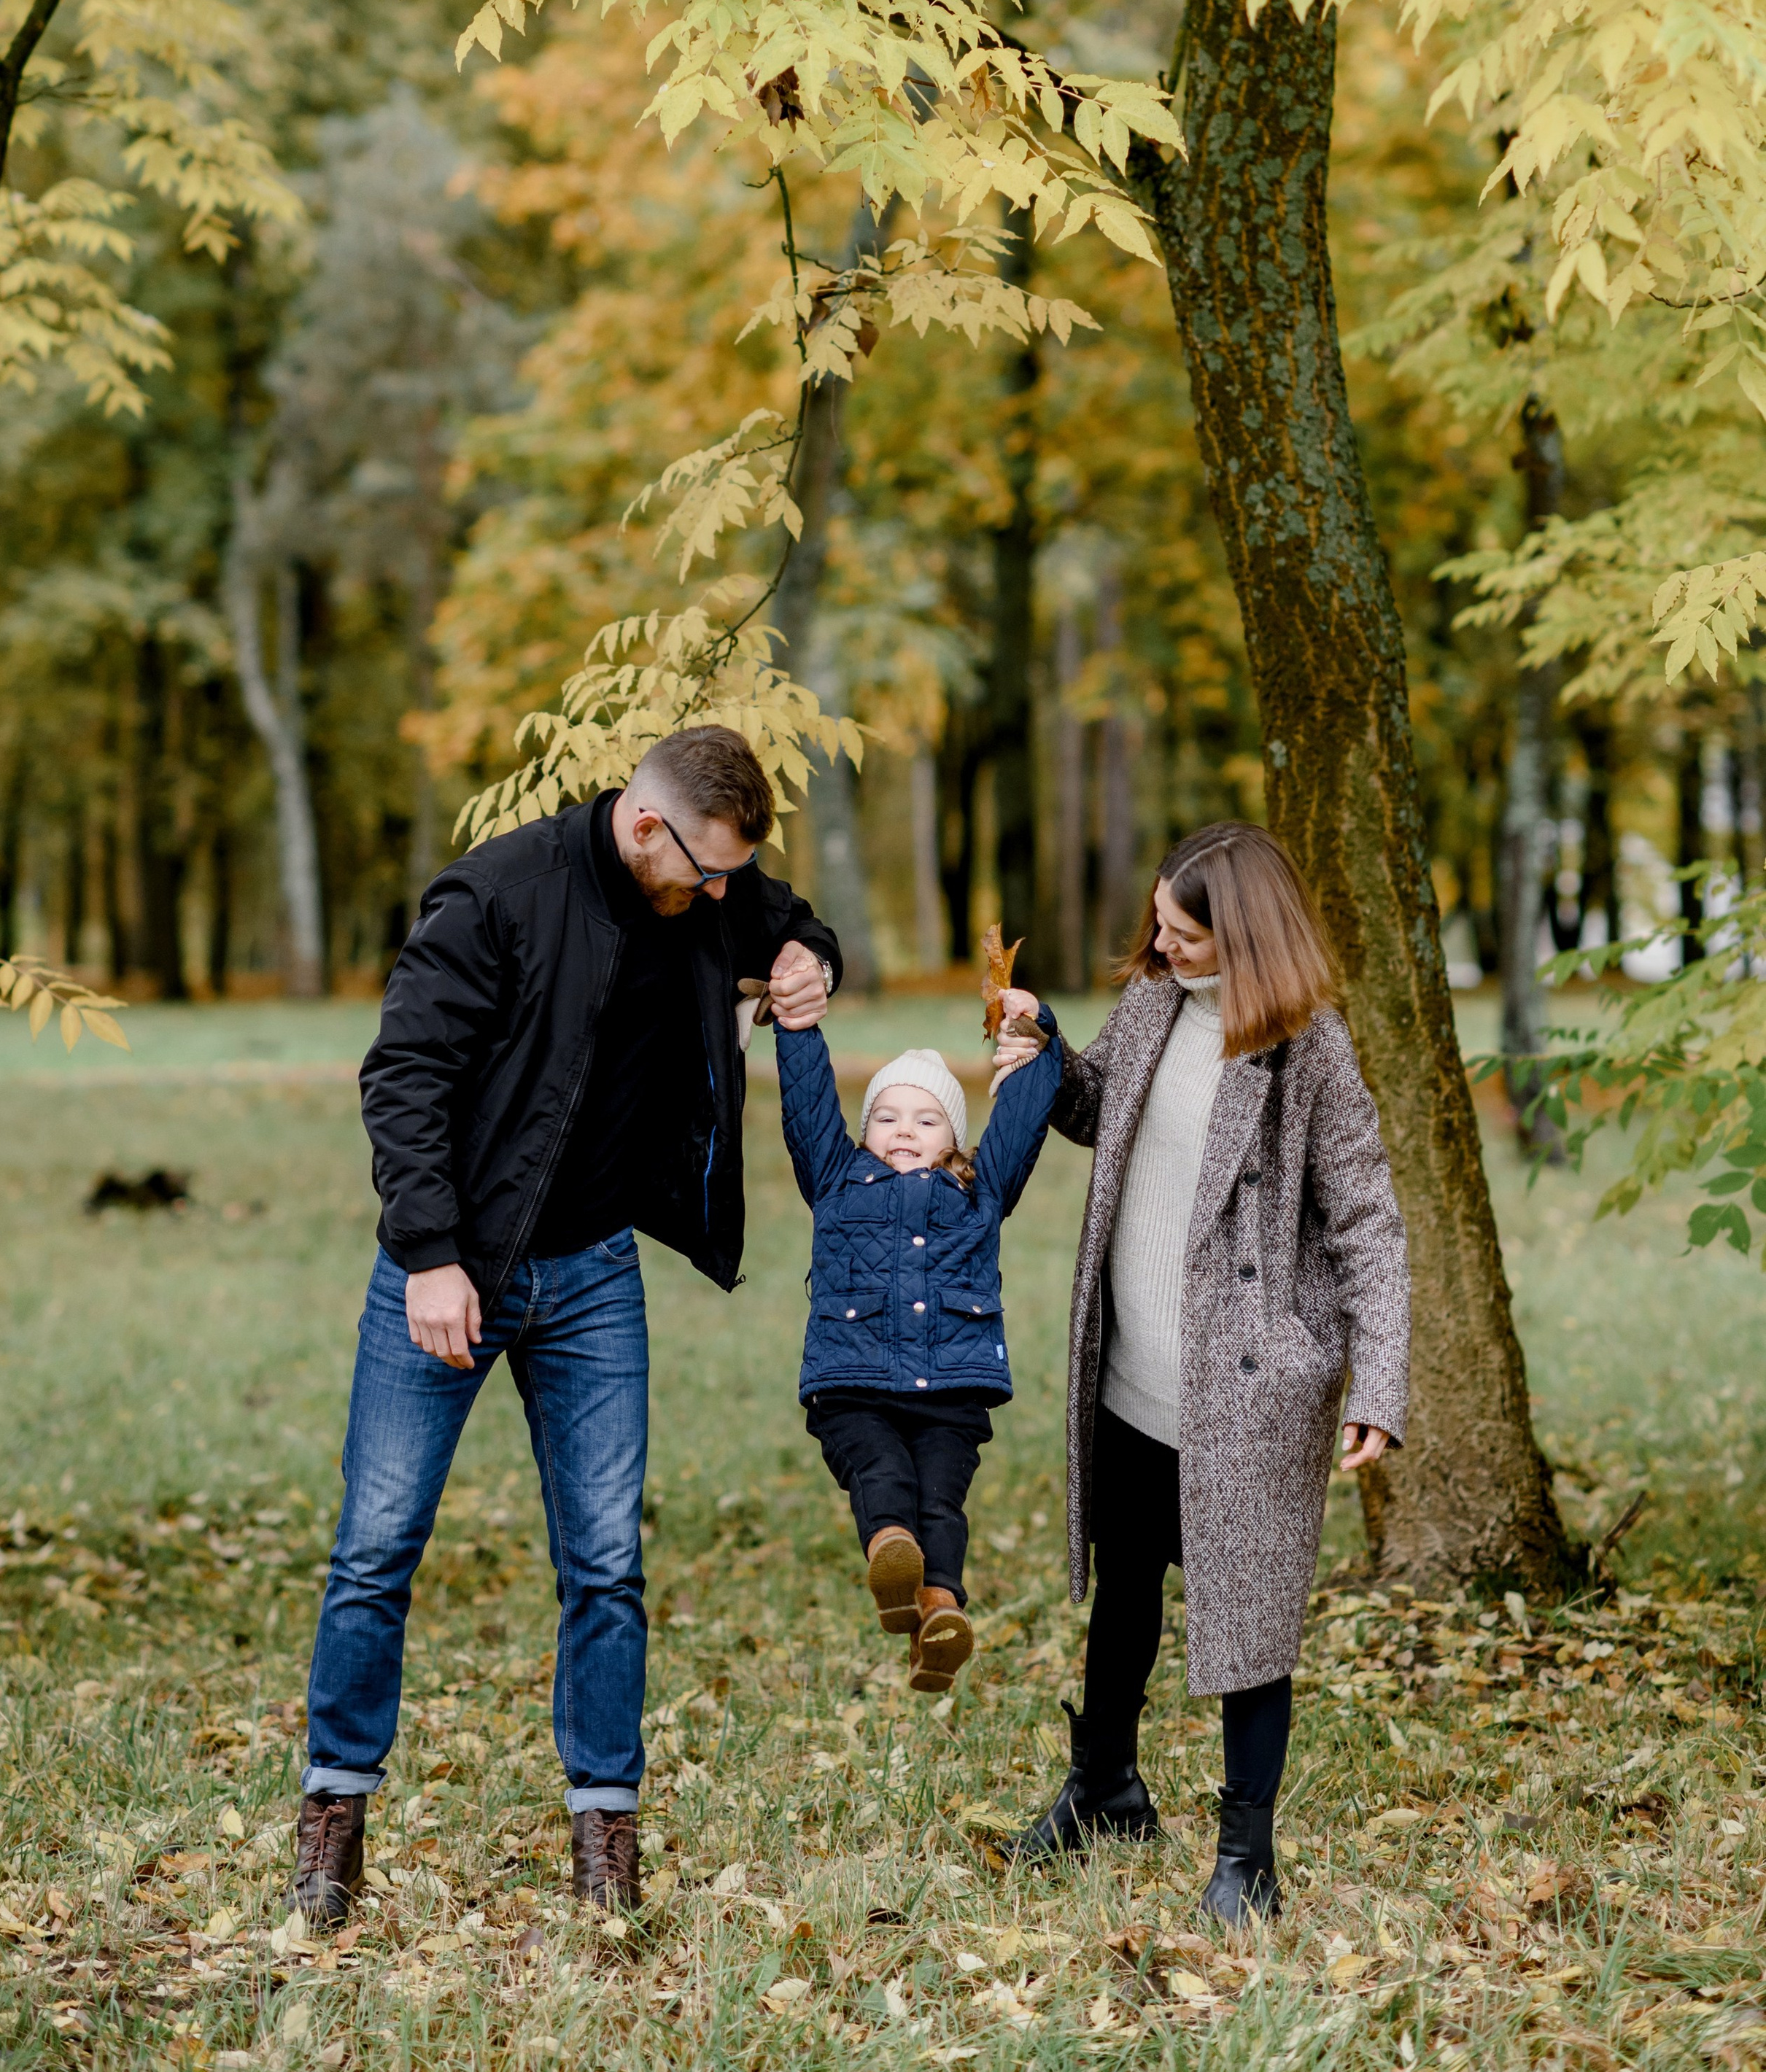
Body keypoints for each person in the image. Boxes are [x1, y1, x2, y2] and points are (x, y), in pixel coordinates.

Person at [290, 727, 840, 1927]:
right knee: (378, 1546)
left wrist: (810, 964)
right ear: (646, 822)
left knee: (606, 1562)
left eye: (730, 877)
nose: (718, 895)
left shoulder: (712, 883)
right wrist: (431, 1253)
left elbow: (792, 924)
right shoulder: (497, 892)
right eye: (704, 870)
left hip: (593, 1273)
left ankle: (605, 1837)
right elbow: (405, 1073)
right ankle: (331, 1823)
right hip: (450, 1273)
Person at [992, 822, 1409, 1925]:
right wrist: (1044, 1046)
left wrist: (1379, 1385)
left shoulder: (1307, 1048)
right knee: (1126, 1585)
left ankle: (1246, 1859)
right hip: (1132, 1364)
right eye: (1161, 928)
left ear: (1247, 934)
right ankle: (1105, 1788)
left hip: (1246, 1389)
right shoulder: (1153, 1004)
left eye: (1185, 935)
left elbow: (1367, 1216)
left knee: (1249, 1618)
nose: (1164, 948)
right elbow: (1098, 1114)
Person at [773, 1010, 1063, 1690]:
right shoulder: (835, 1176)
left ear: (955, 1139)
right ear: (865, 1128)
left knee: (941, 1502)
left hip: (952, 1394)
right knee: (884, 1477)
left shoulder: (979, 1189)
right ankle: (891, 1555)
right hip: (854, 1385)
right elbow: (808, 1099)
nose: (905, 1129)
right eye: (887, 1116)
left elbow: (1022, 1121)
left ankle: (939, 1610)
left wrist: (1035, 1032)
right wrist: (795, 1025)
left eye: (928, 1120)